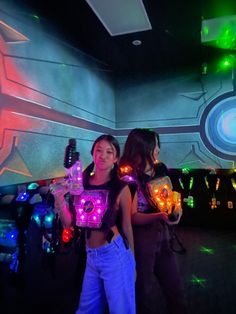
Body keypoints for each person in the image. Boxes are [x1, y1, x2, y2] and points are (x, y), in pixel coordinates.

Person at [50, 134, 136, 314]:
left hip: (114, 254)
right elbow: (69, 223)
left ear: (115, 158)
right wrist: (59, 199)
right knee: (87, 309)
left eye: (109, 152)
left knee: (121, 309)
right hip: (91, 256)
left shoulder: (121, 188)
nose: (103, 155)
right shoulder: (80, 185)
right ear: (92, 153)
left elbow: (127, 226)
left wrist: (132, 262)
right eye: (98, 150)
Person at [119, 128, 188, 314]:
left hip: (164, 237)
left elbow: (171, 195)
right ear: (143, 147)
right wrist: (160, 216)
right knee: (142, 293)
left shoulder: (161, 168)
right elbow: (132, 217)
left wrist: (177, 209)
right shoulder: (128, 176)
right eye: (155, 145)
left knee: (175, 290)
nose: (158, 149)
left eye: (158, 144)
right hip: (142, 241)